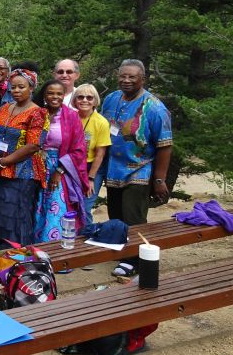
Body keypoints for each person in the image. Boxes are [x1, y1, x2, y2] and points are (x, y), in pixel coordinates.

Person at [100, 59, 173, 278]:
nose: (126, 80)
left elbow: (165, 145)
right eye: (123, 75)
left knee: (134, 216)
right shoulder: (111, 99)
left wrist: (159, 180)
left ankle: (134, 261)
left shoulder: (155, 107)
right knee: (116, 214)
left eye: (132, 76)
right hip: (114, 168)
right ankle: (123, 251)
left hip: (139, 169)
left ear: (143, 78)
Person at [0, 68, 48, 254]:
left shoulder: (37, 113)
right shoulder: (4, 108)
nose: (16, 91)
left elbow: (33, 145)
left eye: (21, 87)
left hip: (22, 173)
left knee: (18, 213)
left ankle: (15, 252)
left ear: (31, 88)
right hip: (0, 169)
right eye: (13, 87)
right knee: (1, 210)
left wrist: (3, 161)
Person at [33, 80, 89, 247]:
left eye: (59, 93)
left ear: (64, 95)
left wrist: (59, 170)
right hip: (35, 167)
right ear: (44, 95)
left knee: (56, 206)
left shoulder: (71, 116)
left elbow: (79, 149)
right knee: (36, 206)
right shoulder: (37, 114)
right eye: (51, 93)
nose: (55, 97)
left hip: (60, 168)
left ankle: (54, 249)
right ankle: (35, 249)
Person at [72, 83, 112, 225]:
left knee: (85, 206)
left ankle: (87, 236)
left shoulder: (101, 122)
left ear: (95, 101)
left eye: (89, 97)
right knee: (71, 205)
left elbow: (100, 154)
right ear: (74, 100)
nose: (84, 100)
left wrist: (90, 179)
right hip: (72, 167)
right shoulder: (71, 117)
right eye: (80, 97)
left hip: (91, 168)